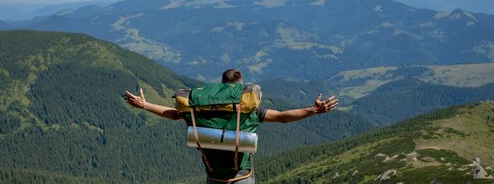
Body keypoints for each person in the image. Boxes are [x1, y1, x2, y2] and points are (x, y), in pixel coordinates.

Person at [123, 69, 339, 183]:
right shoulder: (248, 110)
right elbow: (283, 117)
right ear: (238, 87)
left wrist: (145, 105)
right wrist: (314, 110)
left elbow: (172, 114)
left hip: (213, 175)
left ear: (222, 85)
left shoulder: (197, 110)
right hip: (242, 176)